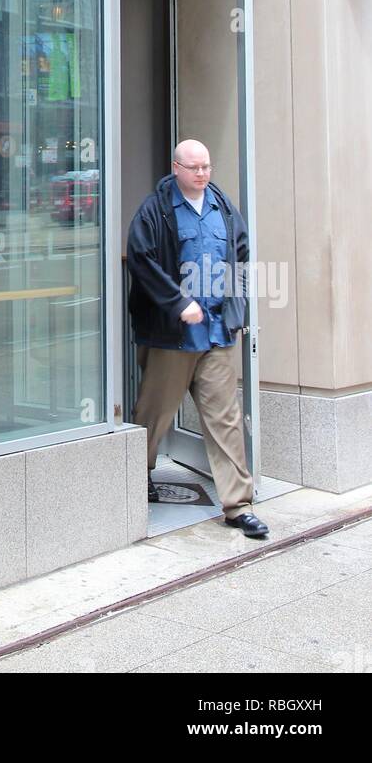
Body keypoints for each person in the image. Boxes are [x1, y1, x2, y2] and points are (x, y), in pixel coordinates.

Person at [126, 139, 269, 539]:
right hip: (173, 335)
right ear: (176, 168)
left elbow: (240, 255)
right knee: (153, 415)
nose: (203, 174)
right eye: (194, 168)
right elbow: (141, 259)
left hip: (217, 333)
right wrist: (178, 302)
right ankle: (137, 480)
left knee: (225, 417)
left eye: (207, 166)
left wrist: (236, 308)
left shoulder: (223, 207)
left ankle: (238, 506)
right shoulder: (155, 210)